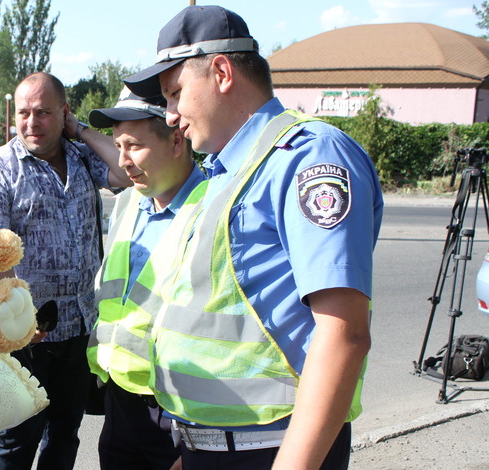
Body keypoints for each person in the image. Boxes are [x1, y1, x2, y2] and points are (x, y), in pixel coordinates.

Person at [124, 5, 383, 469]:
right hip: (211, 449)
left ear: (221, 71)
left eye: (175, 93)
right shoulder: (225, 171)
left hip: (272, 452)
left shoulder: (306, 156)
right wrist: (196, 447)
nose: (169, 115)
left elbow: (343, 333)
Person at [0, 71, 130, 470]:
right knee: (17, 438)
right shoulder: (0, 169)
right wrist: (15, 321)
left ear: (64, 114)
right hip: (26, 333)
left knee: (65, 434)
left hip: (79, 325)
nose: (31, 122)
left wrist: (83, 132)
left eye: (43, 112)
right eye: (23, 112)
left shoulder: (80, 157)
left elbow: (128, 173)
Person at [84, 88, 203, 470]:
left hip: (178, 414)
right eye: (118, 145)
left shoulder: (211, 210)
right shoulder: (129, 202)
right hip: (121, 403)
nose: (123, 161)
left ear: (176, 139)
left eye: (134, 145)